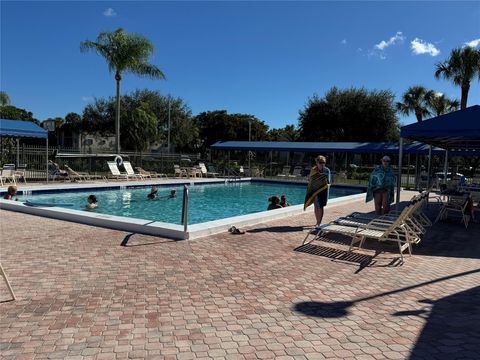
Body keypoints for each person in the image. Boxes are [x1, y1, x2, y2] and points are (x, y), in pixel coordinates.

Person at [304, 155, 331, 230]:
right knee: (316, 206)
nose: (322, 164)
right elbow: (311, 180)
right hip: (314, 191)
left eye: (323, 162)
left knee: (320, 206)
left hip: (323, 191)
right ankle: (317, 222)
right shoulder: (313, 170)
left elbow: (328, 182)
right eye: (320, 162)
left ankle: (319, 223)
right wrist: (310, 179)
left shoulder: (326, 170)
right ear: (317, 162)